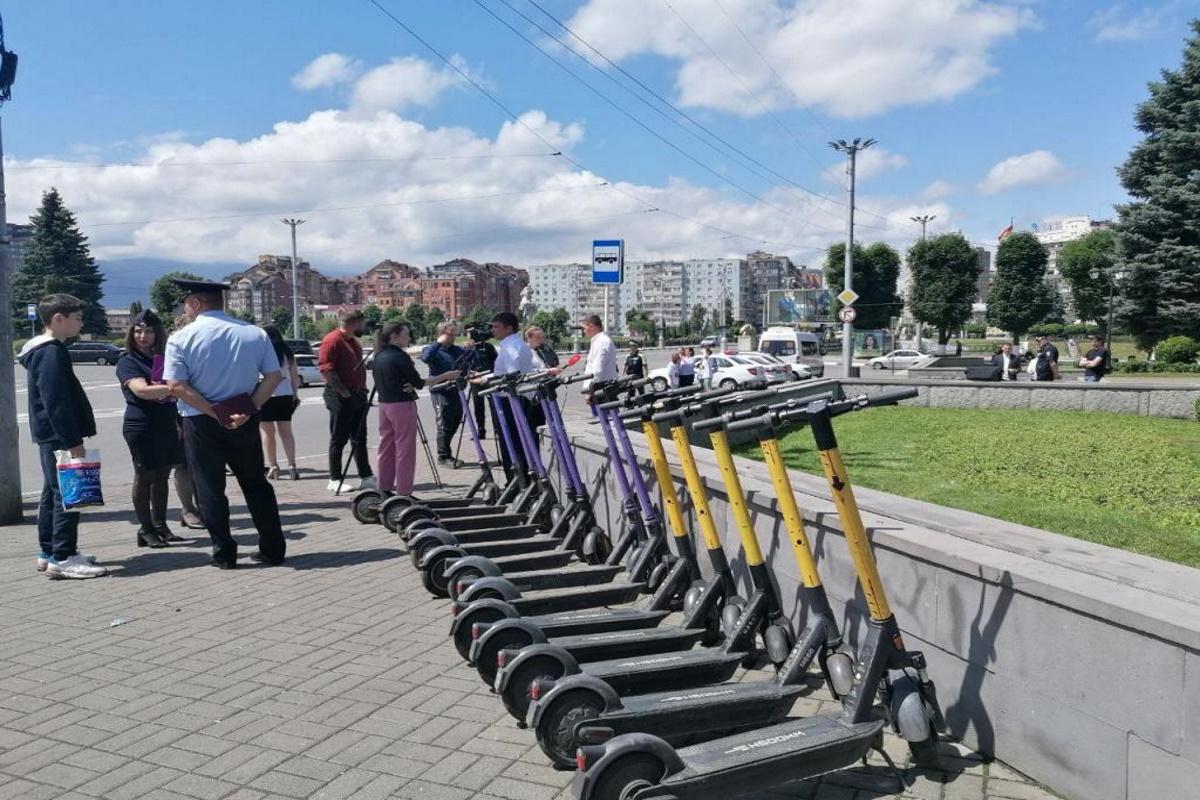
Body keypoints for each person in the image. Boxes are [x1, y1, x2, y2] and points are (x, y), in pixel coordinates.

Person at [164, 279, 287, 570]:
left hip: (200, 422)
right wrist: (250, 409)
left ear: (194, 303)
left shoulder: (180, 338)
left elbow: (177, 386)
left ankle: (224, 553)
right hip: (244, 419)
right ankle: (273, 548)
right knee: (256, 484)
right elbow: (273, 376)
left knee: (209, 489)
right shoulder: (254, 334)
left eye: (186, 303)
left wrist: (213, 411)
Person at [17, 294, 107, 579]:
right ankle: (64, 556)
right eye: (77, 318)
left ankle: (49, 551)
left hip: (49, 434)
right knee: (68, 495)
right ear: (58, 318)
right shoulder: (51, 351)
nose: (81, 323)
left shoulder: (41, 349)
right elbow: (55, 400)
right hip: (59, 435)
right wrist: (72, 440)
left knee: (51, 493)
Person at [116, 310, 188, 549]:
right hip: (141, 425)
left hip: (166, 423)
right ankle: (145, 529)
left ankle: (160, 526)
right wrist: (177, 388)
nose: (142, 336)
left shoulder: (163, 358)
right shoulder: (128, 360)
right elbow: (142, 391)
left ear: (158, 333)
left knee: (162, 477)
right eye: (138, 330)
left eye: (148, 331)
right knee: (145, 475)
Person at [375, 322, 459, 497]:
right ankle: (404, 491)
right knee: (405, 449)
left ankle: (384, 486)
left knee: (386, 446)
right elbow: (419, 383)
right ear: (395, 336)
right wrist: (445, 376)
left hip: (384, 405)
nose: (409, 338)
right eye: (406, 334)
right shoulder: (399, 356)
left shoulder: (379, 354)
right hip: (402, 405)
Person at [318, 308, 374, 493]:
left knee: (359, 437)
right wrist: (343, 392)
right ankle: (334, 478)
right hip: (341, 396)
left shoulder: (352, 341)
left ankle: (365, 476)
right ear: (354, 323)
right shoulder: (332, 340)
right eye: (362, 323)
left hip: (357, 394)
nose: (363, 326)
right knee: (339, 438)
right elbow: (327, 369)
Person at [488, 311, 538, 475]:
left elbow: (510, 377)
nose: (493, 330)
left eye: (496, 327)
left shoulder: (511, 348)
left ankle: (517, 479)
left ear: (509, 328)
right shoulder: (515, 345)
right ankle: (520, 478)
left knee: (511, 442)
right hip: (517, 397)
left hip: (511, 400)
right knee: (517, 440)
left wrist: (488, 382)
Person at [170, 313, 205, 530]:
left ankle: (204, 507)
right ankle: (188, 509)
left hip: (203, 410)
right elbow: (170, 385)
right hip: (180, 412)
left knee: (203, 464)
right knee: (183, 465)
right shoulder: (173, 347)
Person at [421, 320, 466, 468]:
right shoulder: (433, 349)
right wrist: (438, 342)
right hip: (440, 391)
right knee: (444, 423)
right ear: (441, 334)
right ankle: (443, 455)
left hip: (455, 390)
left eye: (454, 333)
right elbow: (425, 358)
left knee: (456, 419)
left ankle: (447, 452)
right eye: (450, 333)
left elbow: (468, 363)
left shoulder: (456, 350)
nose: (453, 336)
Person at [260, 325, 302, 480]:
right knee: (286, 433)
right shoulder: (287, 352)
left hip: (266, 394)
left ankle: (273, 466)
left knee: (267, 433)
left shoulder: (262, 351)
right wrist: (295, 395)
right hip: (285, 394)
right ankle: (292, 465)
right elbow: (295, 377)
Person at [581, 314, 617, 412]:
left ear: (591, 326)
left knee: (605, 423)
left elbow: (598, 370)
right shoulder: (600, 341)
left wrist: (590, 392)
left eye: (584, 328)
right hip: (602, 388)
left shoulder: (601, 342)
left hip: (601, 390)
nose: (583, 331)